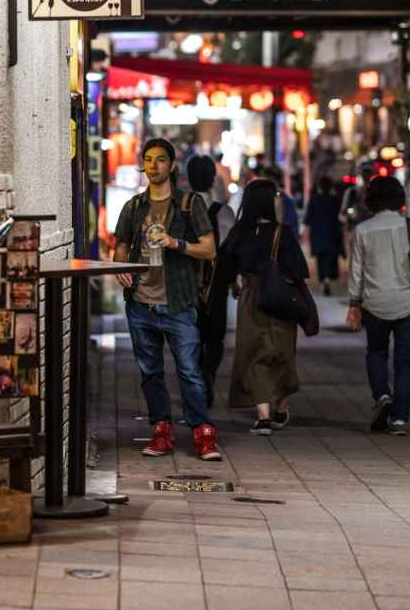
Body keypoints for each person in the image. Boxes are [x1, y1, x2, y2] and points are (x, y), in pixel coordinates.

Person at [111, 138, 222, 461]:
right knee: (150, 373)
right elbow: (120, 245)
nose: (153, 165)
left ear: (172, 166)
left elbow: (209, 249)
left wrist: (176, 243)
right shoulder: (134, 206)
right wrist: (121, 267)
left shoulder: (189, 204)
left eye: (161, 160)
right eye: (148, 159)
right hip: (141, 304)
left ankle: (203, 432)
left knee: (189, 371)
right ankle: (161, 429)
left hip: (179, 303)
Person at [211, 179, 308, 435]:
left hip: (251, 300)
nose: (278, 199)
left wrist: (239, 277)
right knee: (282, 354)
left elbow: (224, 262)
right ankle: (279, 408)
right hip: (282, 301)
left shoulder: (240, 232)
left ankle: (263, 417)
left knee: (254, 356)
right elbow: (299, 270)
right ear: (267, 201)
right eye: (275, 195)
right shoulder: (282, 233)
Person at [347, 176, 410, 435]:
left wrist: (354, 302)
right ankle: (399, 419)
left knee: (376, 352)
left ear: (370, 200)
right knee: (404, 360)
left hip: (374, 303)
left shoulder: (363, 230)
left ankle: (382, 396)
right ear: (399, 198)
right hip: (408, 303)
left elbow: (357, 271)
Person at [186, 155, 229, 406]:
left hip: (187, 282)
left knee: (189, 336)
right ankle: (208, 372)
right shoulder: (224, 212)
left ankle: (197, 379)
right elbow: (230, 249)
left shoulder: (180, 208)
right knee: (215, 336)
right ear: (213, 178)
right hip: (217, 283)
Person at [306, 176, 344, 295]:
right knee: (330, 257)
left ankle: (323, 280)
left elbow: (308, 218)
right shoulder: (335, 199)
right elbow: (340, 216)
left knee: (320, 258)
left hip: (317, 233)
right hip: (333, 232)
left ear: (319, 187)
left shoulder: (313, 199)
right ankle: (327, 278)